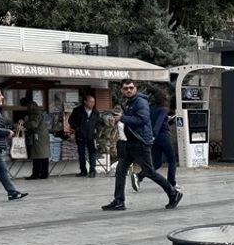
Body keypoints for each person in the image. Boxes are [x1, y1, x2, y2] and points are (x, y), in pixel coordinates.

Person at [102, 79, 182, 211]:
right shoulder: (129, 102)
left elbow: (142, 119)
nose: (128, 90)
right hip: (131, 142)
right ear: (122, 90)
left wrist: (122, 118)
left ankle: (173, 193)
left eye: (131, 88)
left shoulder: (140, 101)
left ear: (135, 89)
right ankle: (119, 201)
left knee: (150, 172)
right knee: (120, 171)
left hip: (141, 142)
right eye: (126, 88)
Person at [138, 89, 178, 188]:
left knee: (156, 163)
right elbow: (159, 124)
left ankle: (139, 175)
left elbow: (155, 122)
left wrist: (169, 121)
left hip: (154, 139)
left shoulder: (151, 108)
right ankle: (171, 182)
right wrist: (154, 135)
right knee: (172, 160)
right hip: (163, 136)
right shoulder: (164, 109)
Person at [66, 93, 103, 177]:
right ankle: (83, 171)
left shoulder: (95, 112)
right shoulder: (77, 110)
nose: (92, 104)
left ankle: (92, 171)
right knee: (81, 154)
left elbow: (98, 123)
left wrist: (97, 129)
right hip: (80, 136)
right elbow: (71, 120)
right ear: (85, 102)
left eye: (93, 102)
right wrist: (77, 128)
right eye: (90, 102)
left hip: (91, 136)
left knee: (92, 153)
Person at [19, 97, 50, 180]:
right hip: (43, 136)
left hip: (38, 136)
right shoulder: (40, 113)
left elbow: (34, 124)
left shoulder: (35, 114)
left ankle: (35, 174)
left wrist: (25, 123)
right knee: (43, 156)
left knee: (37, 155)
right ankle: (44, 174)